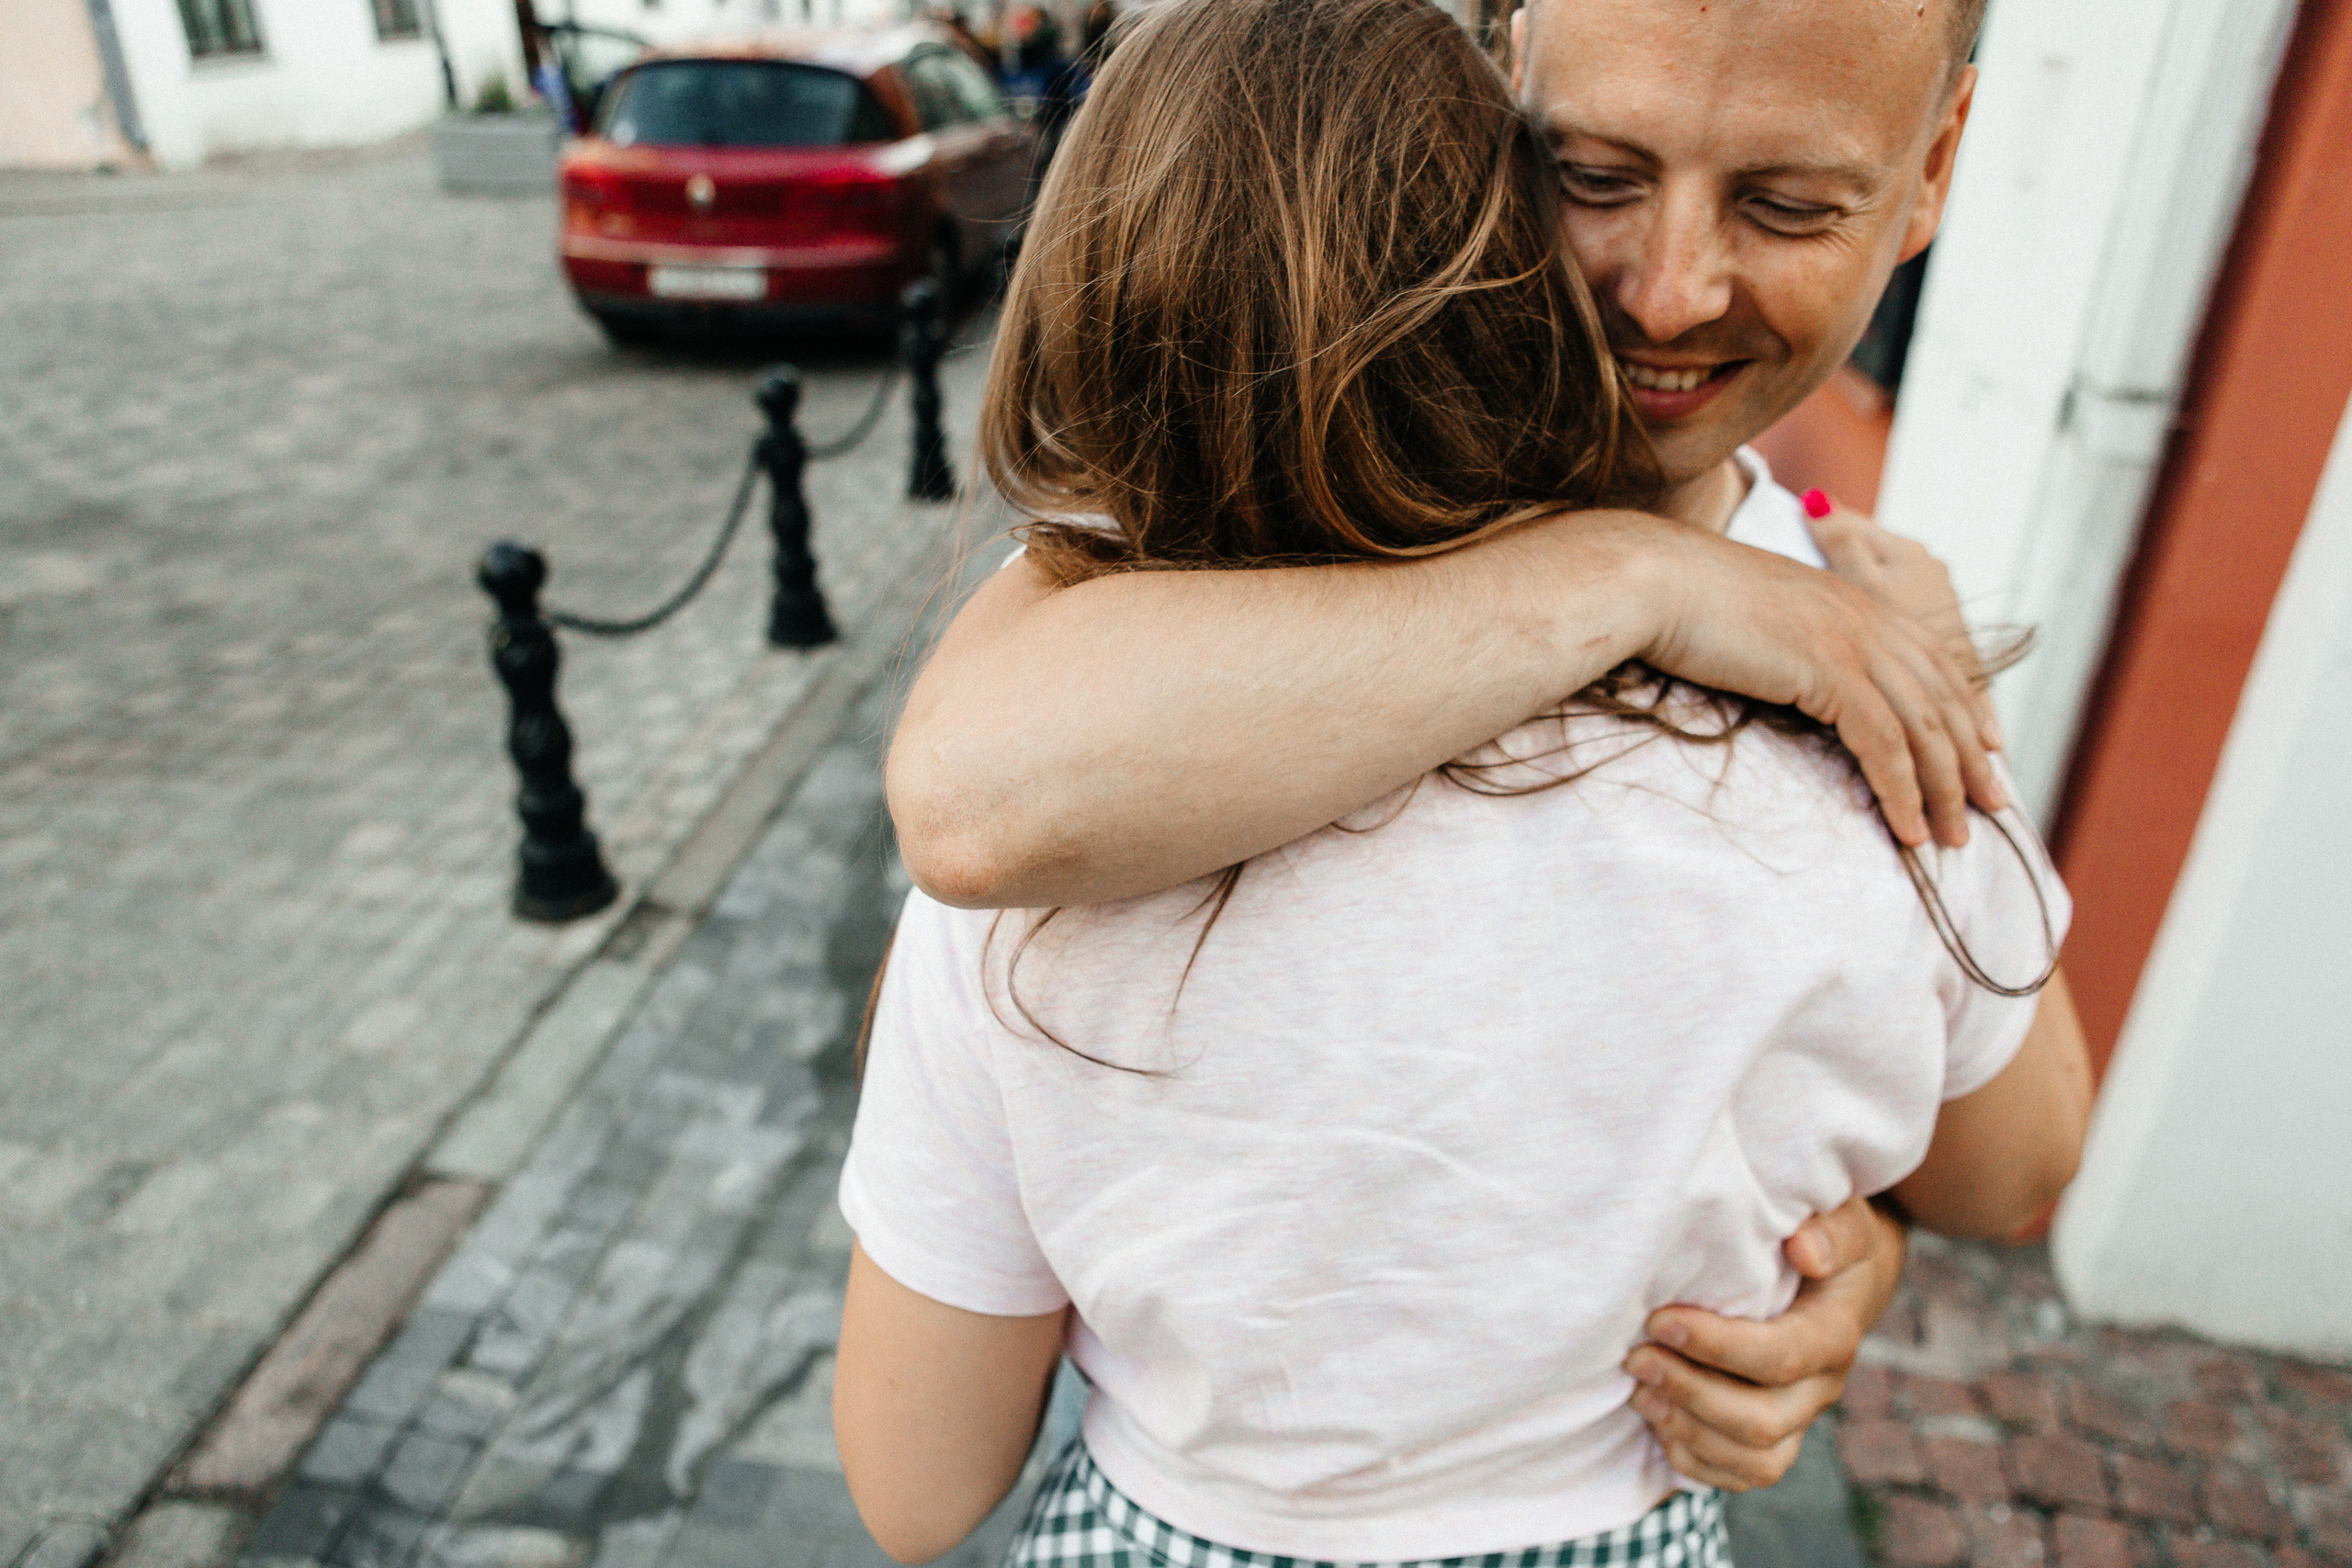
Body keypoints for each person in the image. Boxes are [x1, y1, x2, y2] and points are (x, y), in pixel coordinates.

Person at [833, 5, 2093, 1566]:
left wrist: (1847, 1237)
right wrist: (1648, 580)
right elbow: (973, 799)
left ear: (1936, 168)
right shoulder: (1122, 702)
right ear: (1495, 90)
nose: (1672, 291)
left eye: (1788, 205)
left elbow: (914, 1483)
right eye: (1596, 171)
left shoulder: (1867, 641)